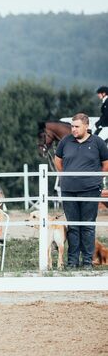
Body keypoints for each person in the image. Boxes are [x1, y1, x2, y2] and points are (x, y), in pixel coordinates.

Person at [54, 113, 108, 270]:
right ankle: (72, 261)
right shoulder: (66, 141)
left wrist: (95, 179)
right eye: (72, 126)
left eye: (77, 126)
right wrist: (69, 177)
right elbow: (58, 161)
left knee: (88, 225)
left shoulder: (97, 142)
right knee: (73, 226)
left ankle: (87, 262)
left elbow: (106, 164)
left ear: (87, 126)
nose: (74, 129)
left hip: (90, 190)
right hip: (69, 190)